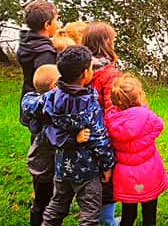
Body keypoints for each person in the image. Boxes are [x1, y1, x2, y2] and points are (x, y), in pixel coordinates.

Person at [41, 46, 116, 226]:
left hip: (62, 166)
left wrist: (61, 135)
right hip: (87, 170)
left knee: (57, 206)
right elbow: (99, 138)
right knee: (89, 214)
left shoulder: (52, 95)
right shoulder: (89, 102)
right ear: (85, 73)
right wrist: (107, 165)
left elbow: (32, 110)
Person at [21, 64, 91, 226]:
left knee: (42, 202)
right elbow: (56, 137)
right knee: (47, 205)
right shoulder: (49, 114)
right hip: (46, 169)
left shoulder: (36, 104)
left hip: (39, 165)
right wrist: (76, 138)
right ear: (54, 87)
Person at [106, 74, 168, 226]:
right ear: (138, 97)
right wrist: (147, 139)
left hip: (125, 175)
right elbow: (159, 125)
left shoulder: (110, 120)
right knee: (150, 216)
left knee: (128, 215)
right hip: (150, 171)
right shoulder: (146, 115)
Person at [83, 21, 123, 225]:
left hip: (82, 133)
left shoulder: (81, 68)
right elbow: (112, 108)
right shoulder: (109, 74)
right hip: (102, 135)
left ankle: (96, 215)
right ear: (106, 43)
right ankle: (107, 220)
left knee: (90, 179)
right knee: (106, 179)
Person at [18, 0, 59, 98]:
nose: (58, 24)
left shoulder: (27, 44)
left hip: (27, 100)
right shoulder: (45, 53)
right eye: (56, 20)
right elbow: (48, 84)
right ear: (47, 25)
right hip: (42, 105)